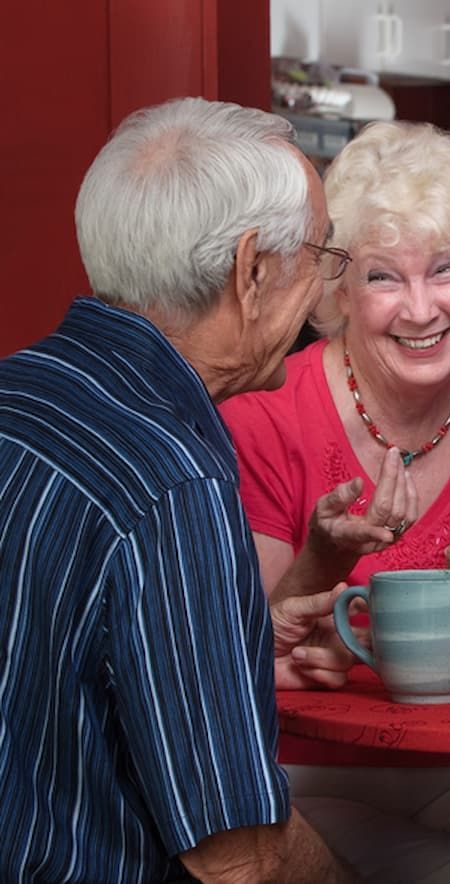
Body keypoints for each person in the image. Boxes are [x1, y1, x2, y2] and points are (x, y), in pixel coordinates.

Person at [0, 97, 354, 881]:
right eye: (323, 254)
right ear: (253, 270)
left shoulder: (14, 394)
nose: (327, 287)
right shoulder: (173, 480)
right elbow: (239, 859)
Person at [218, 120, 450, 884]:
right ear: (335, 290)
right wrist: (322, 561)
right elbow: (241, 650)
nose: (421, 309)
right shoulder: (267, 416)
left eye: (445, 269)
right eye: (383, 277)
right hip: (302, 776)